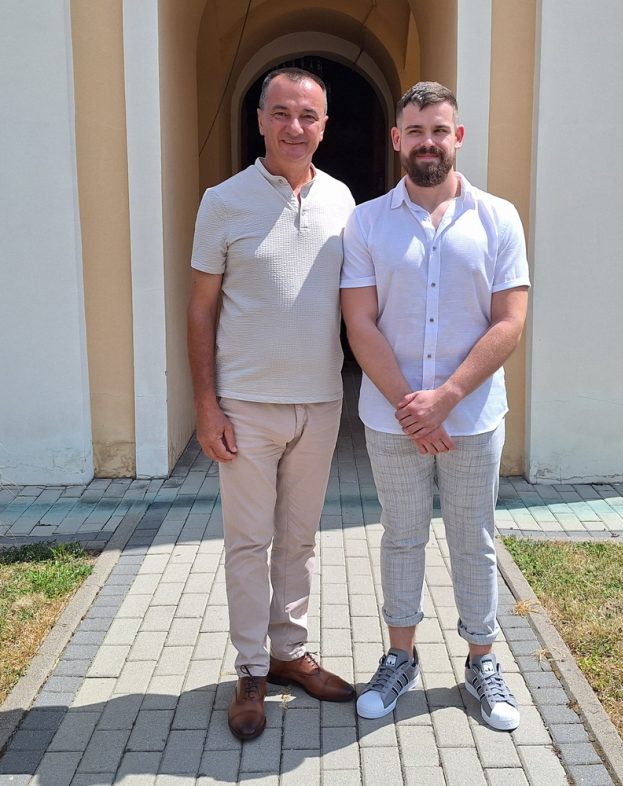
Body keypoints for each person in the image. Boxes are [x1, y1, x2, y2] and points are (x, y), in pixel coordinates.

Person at [341, 81, 530, 731]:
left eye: (439, 130)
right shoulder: (366, 221)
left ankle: (482, 661)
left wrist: (446, 398)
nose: (428, 142)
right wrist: (411, 406)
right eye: (416, 131)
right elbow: (360, 322)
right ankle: (400, 657)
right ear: (398, 139)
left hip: (473, 418)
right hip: (391, 420)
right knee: (401, 536)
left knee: (474, 540)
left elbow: (509, 321)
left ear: (458, 137)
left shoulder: (498, 218)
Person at [187, 67, 356, 742]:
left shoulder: (343, 201)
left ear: (324, 125)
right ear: (259, 120)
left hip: (320, 402)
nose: (294, 126)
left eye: (308, 115)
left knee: (300, 539)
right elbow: (201, 311)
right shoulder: (223, 201)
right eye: (281, 113)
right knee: (247, 543)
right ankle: (252, 669)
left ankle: (290, 652)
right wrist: (206, 405)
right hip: (245, 406)